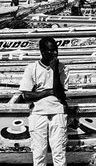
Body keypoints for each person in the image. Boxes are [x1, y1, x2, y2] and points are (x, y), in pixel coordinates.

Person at [19, 37, 69, 166]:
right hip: (38, 113)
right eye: (51, 51)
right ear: (42, 51)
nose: (55, 53)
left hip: (57, 112)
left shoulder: (63, 68)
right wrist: (49, 92)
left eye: (56, 50)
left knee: (59, 153)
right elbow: (27, 95)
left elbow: (59, 93)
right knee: (39, 153)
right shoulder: (31, 68)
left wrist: (55, 71)